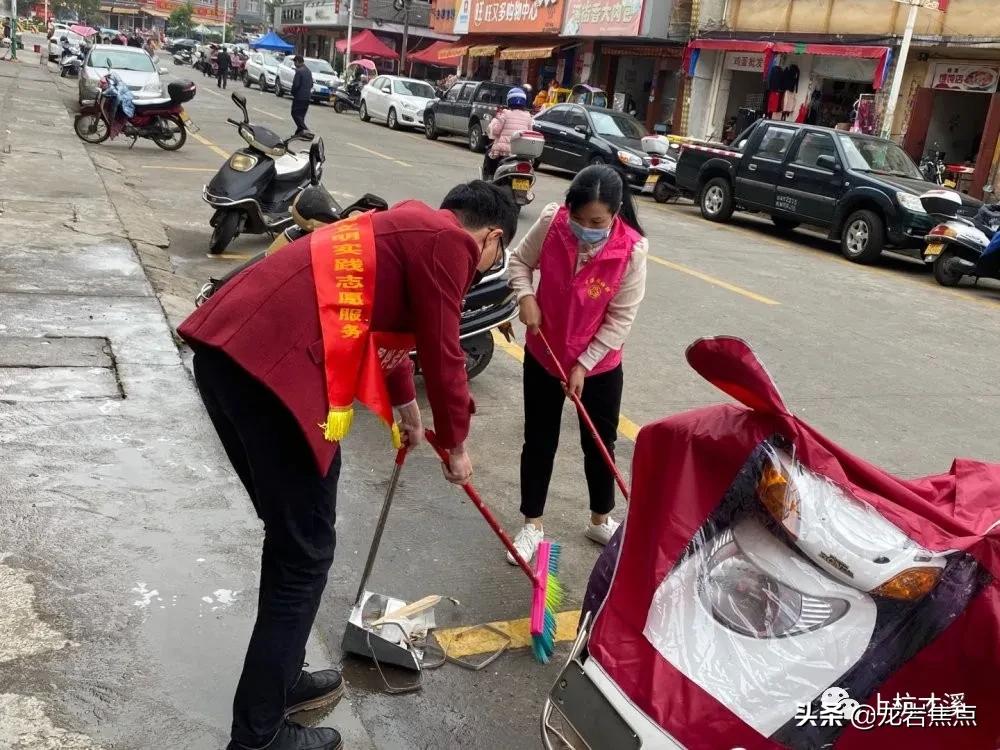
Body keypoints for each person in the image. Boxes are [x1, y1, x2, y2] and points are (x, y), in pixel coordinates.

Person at [178, 181, 519, 750]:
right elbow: (443, 350)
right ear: (492, 237)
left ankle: (281, 679)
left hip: (236, 357)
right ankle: (258, 736)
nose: (477, 269)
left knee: (294, 541)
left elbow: (380, 335)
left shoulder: (405, 227)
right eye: (491, 259)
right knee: (303, 555)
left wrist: (408, 412)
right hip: (272, 373)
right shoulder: (449, 243)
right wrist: (457, 443)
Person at [505, 165, 648, 564]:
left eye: (597, 222)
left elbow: (621, 319)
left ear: (615, 215)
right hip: (544, 353)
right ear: (568, 208)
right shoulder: (553, 222)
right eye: (580, 219)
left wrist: (584, 364)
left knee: (600, 444)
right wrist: (525, 296)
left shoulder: (632, 251)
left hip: (599, 366)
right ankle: (532, 524)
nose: (586, 229)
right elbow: (519, 262)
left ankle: (600, 519)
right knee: (539, 440)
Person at [483, 87, 534, 181]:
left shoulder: (505, 113)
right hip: (520, 153)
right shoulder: (528, 116)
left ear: (509, 100)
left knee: (489, 155)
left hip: (503, 152)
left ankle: (489, 180)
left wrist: (497, 118)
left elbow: (495, 131)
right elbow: (529, 134)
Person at [290, 54, 313, 136]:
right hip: (307, 97)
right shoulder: (308, 71)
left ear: (297, 62)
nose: (294, 64)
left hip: (299, 97)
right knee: (301, 116)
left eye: (295, 62)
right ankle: (299, 133)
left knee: (295, 113)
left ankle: (305, 130)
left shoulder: (299, 71)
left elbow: (296, 85)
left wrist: (293, 92)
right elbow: (311, 84)